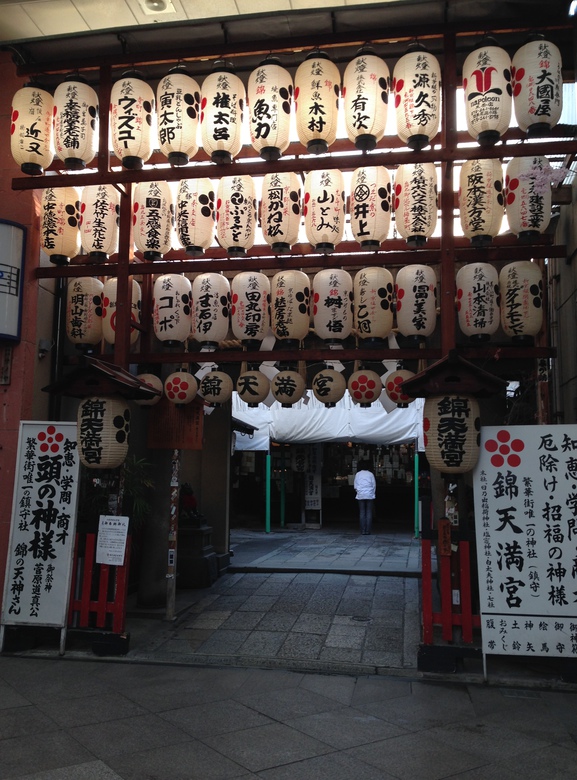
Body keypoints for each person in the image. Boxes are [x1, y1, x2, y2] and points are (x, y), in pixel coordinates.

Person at [354, 461, 376, 535]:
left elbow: (355, 486)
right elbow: (374, 485)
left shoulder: (358, 474)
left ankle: (363, 530)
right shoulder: (371, 474)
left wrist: (359, 491)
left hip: (360, 495)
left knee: (362, 512)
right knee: (369, 512)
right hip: (369, 495)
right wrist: (372, 493)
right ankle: (368, 530)